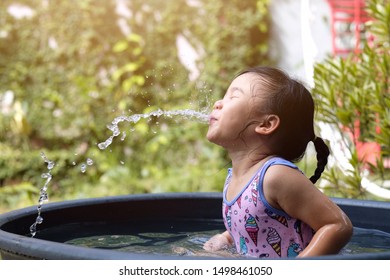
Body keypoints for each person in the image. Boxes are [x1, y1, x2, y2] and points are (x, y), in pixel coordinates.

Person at [203, 66, 353, 258]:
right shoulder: (235, 177)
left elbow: (337, 225)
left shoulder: (275, 175)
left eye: (233, 97)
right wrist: (226, 238)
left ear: (266, 125)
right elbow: (255, 224)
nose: (218, 103)